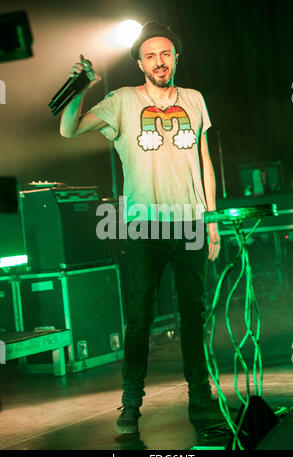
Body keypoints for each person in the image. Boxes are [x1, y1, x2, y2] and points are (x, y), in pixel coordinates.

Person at [60, 21, 221, 434]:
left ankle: (200, 396)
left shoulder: (195, 99)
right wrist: (81, 86)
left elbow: (205, 163)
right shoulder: (122, 101)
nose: (159, 60)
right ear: (139, 62)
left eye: (166, 53)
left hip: (190, 223)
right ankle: (130, 404)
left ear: (176, 58)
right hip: (143, 226)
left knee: (193, 314)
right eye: (150, 55)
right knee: (139, 318)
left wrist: (212, 222)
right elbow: (68, 128)